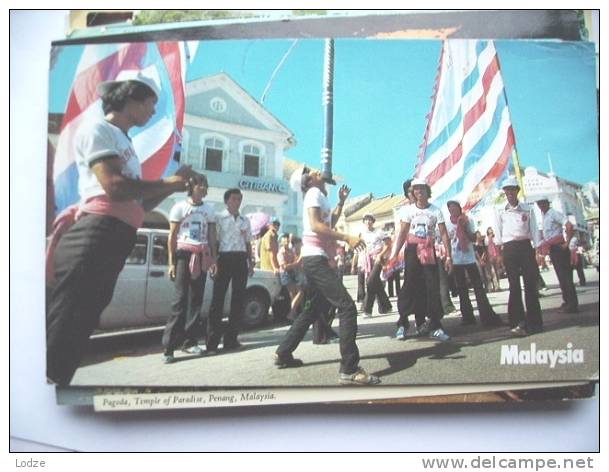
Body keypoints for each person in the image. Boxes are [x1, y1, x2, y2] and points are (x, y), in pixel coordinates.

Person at [46, 70, 198, 386]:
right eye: (150, 103)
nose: (154, 111)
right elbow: (115, 188)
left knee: (82, 317)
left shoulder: (124, 143)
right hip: (95, 233)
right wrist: (168, 181)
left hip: (113, 235)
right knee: (69, 318)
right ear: (131, 98)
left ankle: (56, 384)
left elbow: (138, 206)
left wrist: (172, 186)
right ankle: (45, 390)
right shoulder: (99, 129)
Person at [274, 167, 380, 385]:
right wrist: (347, 237)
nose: (316, 169)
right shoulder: (313, 193)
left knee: (313, 308)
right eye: (309, 170)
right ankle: (349, 368)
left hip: (315, 259)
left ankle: (284, 352)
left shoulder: (319, 195)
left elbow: (328, 220)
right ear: (309, 180)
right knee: (347, 306)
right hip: (316, 259)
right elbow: (316, 225)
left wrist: (341, 202)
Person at [161, 174, 217, 364]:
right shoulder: (179, 207)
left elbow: (211, 235)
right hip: (183, 256)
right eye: (199, 185)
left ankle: (190, 342)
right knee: (179, 301)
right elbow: (172, 236)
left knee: (196, 300)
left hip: (201, 256)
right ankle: (169, 348)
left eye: (204, 185)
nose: (202, 188)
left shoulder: (209, 210)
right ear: (191, 187)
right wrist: (171, 263)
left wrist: (213, 260)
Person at [390, 178, 453, 342]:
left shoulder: (436, 211)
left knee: (432, 288)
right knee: (409, 286)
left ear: (427, 190)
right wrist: (394, 254)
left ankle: (436, 326)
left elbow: (444, 234)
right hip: (412, 251)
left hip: (428, 251)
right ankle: (402, 324)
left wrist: (449, 256)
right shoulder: (407, 211)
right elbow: (402, 233)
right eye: (415, 189)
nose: (419, 192)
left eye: (421, 189)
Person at [206, 188, 254, 353]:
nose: (237, 202)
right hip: (224, 258)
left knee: (238, 300)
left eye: (239, 199)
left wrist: (251, 261)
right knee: (217, 300)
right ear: (226, 201)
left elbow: (248, 242)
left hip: (240, 259)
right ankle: (212, 342)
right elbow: (214, 241)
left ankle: (231, 339)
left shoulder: (244, 220)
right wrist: (213, 261)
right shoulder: (219, 218)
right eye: (234, 199)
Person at [494, 177, 542, 336]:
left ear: (517, 190)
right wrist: (499, 254)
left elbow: (534, 230)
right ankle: (516, 321)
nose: (510, 193)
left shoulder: (527, 208)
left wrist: (538, 251)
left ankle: (534, 322)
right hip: (509, 248)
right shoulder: (500, 209)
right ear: (504, 192)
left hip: (525, 247)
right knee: (514, 285)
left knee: (530, 284)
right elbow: (498, 232)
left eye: (512, 189)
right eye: (507, 190)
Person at [445, 201, 504, 326]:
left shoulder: (467, 220)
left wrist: (464, 227)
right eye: (450, 209)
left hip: (469, 258)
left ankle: (486, 315)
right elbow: (446, 240)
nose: (453, 211)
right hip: (456, 259)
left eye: (455, 208)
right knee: (462, 289)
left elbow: (473, 239)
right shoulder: (447, 223)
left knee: (478, 287)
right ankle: (467, 317)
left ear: (459, 209)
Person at [536, 198, 578, 313]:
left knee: (566, 277)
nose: (541, 205)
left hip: (559, 246)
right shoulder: (544, 216)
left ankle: (572, 304)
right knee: (561, 277)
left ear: (547, 203)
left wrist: (567, 243)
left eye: (543, 203)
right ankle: (567, 301)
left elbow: (569, 225)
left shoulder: (554, 213)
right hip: (552, 248)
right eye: (539, 204)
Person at [359, 214, 393, 318]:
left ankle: (367, 309)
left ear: (373, 221)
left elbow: (388, 244)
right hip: (367, 260)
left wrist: (381, 255)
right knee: (375, 282)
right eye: (366, 220)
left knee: (370, 282)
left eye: (370, 220)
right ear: (364, 222)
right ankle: (386, 306)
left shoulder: (379, 232)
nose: (368, 222)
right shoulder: (362, 234)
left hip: (378, 258)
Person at [277, 233, 306, 320]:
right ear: (281, 242)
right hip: (286, 274)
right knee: (296, 293)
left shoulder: (290, 251)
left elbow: (293, 262)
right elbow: (284, 267)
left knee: (295, 294)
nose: (286, 242)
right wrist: (296, 263)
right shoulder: (281, 253)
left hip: (292, 273)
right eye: (284, 241)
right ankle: (292, 313)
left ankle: (294, 313)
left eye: (287, 240)